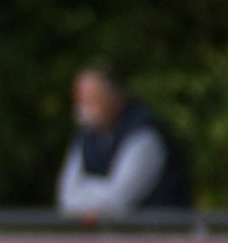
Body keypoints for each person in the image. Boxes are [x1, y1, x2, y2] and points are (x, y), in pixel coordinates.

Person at [56, 62, 191, 220]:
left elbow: (118, 202)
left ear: (113, 96)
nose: (82, 107)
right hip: (111, 239)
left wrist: (87, 190)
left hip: (159, 237)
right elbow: (66, 198)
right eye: (80, 99)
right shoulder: (85, 137)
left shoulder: (143, 134)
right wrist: (99, 196)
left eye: (91, 98)